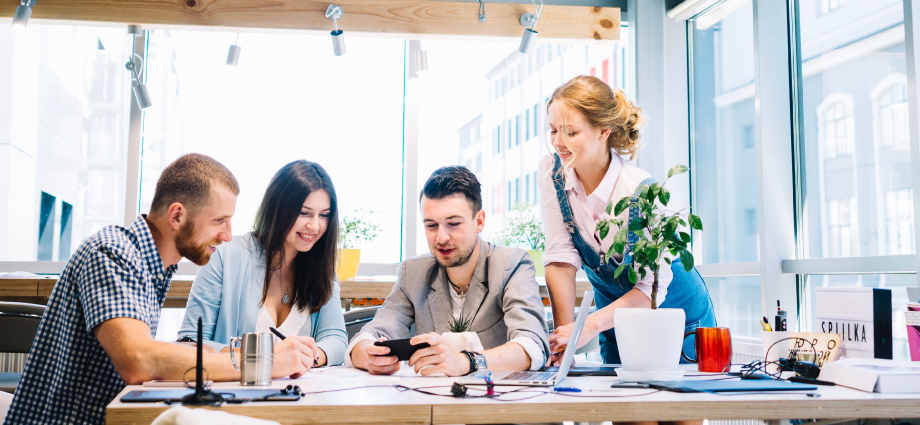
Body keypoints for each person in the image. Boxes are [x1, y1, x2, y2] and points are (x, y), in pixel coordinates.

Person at [4, 154, 317, 425]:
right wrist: (262, 363)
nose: (227, 235)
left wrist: (209, 352)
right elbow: (138, 360)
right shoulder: (113, 252)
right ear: (177, 215)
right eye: (219, 220)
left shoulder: (152, 264)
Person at [539, 76, 717, 365]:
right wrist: (565, 343)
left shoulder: (638, 190)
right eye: (553, 130)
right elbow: (560, 258)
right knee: (618, 407)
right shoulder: (552, 172)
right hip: (614, 320)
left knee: (677, 408)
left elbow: (651, 288)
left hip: (677, 320)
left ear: (603, 131)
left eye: (571, 132)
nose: (558, 142)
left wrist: (588, 326)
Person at [348, 166, 549, 376]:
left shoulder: (511, 264)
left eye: (453, 224)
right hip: (431, 399)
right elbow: (369, 336)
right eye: (431, 225)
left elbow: (533, 345)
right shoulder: (413, 273)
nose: (441, 238)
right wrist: (368, 355)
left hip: (497, 401)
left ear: (479, 221)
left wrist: (467, 362)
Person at [179, 160, 347, 366]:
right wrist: (269, 358)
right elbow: (190, 342)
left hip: (301, 395)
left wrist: (310, 357)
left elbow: (336, 340)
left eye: (324, 215)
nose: (314, 225)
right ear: (278, 209)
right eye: (304, 213)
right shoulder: (225, 256)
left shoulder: (321, 268)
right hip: (234, 394)